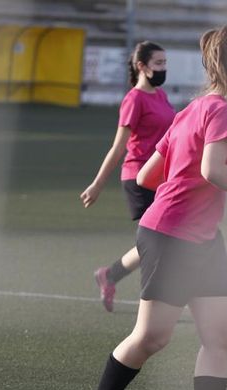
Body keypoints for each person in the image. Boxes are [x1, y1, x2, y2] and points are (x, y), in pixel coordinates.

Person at [73, 26, 227, 390]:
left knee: (220, 336)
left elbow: (147, 177)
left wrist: (185, 184)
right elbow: (213, 169)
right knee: (151, 337)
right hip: (171, 236)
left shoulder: (190, 110)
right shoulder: (222, 112)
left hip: (200, 238)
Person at [80, 41, 175, 312]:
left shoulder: (161, 95)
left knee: (160, 242)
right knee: (160, 243)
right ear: (141, 66)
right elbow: (119, 146)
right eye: (158, 64)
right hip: (139, 179)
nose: (163, 69)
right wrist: (97, 184)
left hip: (162, 178)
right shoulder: (134, 99)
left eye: (165, 63)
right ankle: (154, 307)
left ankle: (110, 276)